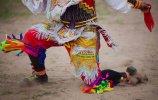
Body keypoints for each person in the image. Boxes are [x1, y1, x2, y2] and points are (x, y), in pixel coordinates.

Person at [0, 0, 150, 87]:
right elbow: (39, 5)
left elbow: (117, 1)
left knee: (93, 82)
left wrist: (139, 4)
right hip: (60, 28)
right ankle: (40, 76)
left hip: (85, 31)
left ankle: (127, 74)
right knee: (31, 37)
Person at [81, 66, 148, 93]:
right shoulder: (124, 75)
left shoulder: (122, 75)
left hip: (107, 73)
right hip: (107, 74)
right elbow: (130, 81)